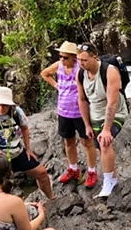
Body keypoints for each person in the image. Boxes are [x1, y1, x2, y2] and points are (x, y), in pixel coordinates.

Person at [0, 86, 54, 200]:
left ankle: (51, 198)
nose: (1, 108)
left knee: (42, 173)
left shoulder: (17, 112)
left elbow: (25, 128)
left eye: (4, 105)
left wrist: (28, 149)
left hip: (17, 152)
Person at [40, 41, 98, 189]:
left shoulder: (80, 68)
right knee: (68, 142)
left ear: (74, 57)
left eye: (65, 57)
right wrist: (57, 86)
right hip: (63, 111)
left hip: (80, 112)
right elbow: (45, 74)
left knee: (87, 142)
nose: (62, 60)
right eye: (60, 56)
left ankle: (92, 171)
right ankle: (73, 168)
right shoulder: (59, 65)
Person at [75, 44, 128, 199]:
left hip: (115, 112)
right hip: (95, 113)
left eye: (84, 60)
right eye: (78, 60)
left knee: (104, 142)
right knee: (99, 146)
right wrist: (86, 125)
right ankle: (113, 176)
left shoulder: (109, 71)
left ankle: (108, 182)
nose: (81, 63)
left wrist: (106, 129)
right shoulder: (80, 73)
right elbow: (82, 100)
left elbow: (112, 102)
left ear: (95, 57)